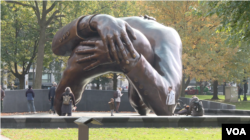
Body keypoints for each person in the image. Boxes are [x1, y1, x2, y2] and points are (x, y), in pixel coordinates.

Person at [52, 14, 182, 116]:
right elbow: (56, 47)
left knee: (139, 102)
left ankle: (76, 70)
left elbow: (167, 106)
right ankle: (76, 71)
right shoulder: (110, 26)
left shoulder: (165, 37)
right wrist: (95, 20)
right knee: (139, 103)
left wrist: (125, 56)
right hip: (118, 41)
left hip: (139, 54)